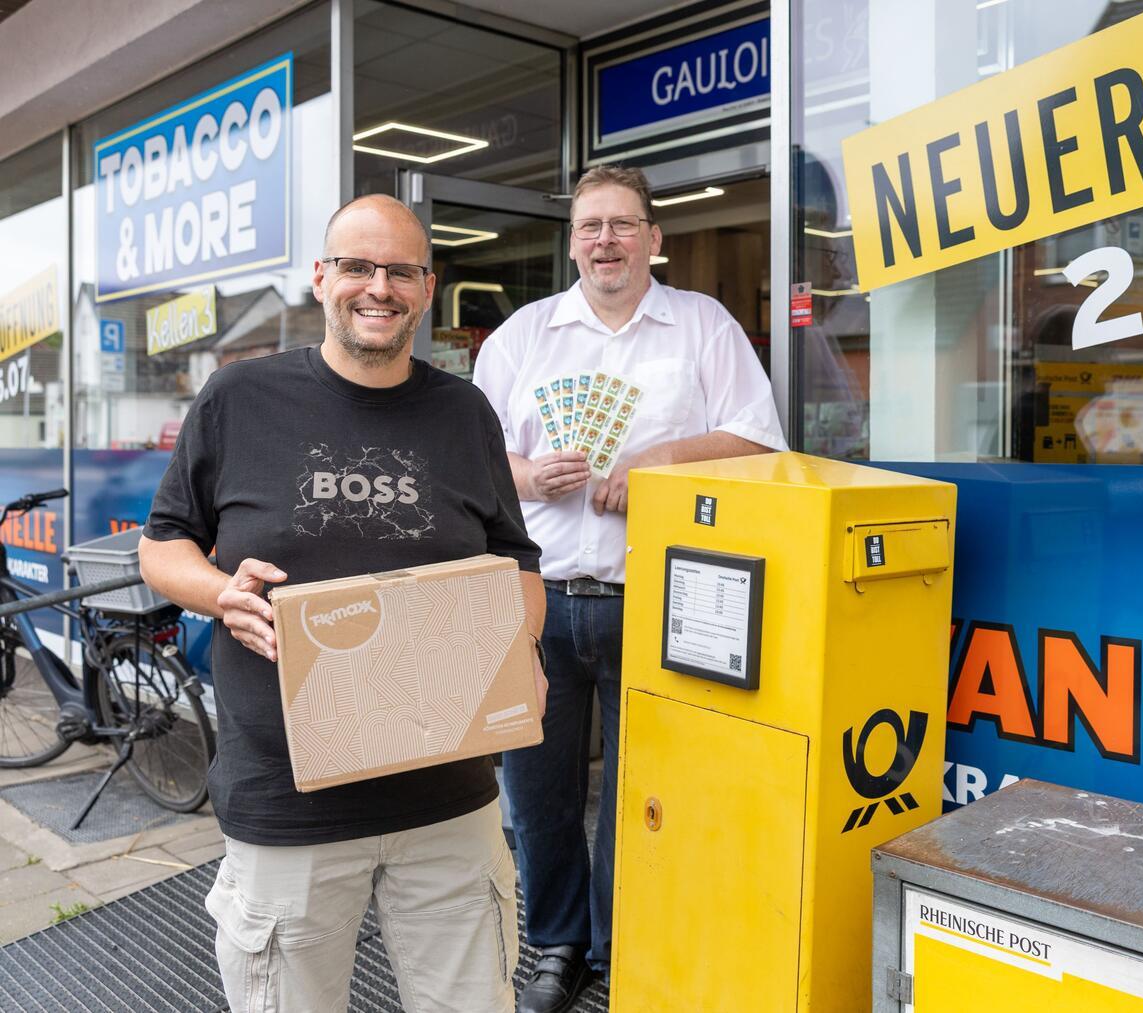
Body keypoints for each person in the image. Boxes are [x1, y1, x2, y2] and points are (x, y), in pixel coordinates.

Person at [138, 193, 546, 1013]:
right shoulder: (237, 398)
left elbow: (517, 560)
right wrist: (222, 594)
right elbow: (162, 545)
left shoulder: (464, 412)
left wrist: (520, 650)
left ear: (428, 289)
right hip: (288, 799)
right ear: (322, 278)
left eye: (400, 270)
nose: (378, 287)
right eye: (358, 266)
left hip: (449, 796)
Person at [473, 164, 786, 1012]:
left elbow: (761, 441)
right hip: (538, 599)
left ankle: (620, 947)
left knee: (640, 796)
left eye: (621, 224)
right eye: (589, 227)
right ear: (572, 241)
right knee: (536, 792)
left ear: (655, 238)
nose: (604, 240)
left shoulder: (702, 326)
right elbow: (469, 460)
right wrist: (529, 476)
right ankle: (557, 945)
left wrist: (662, 458)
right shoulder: (526, 337)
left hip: (659, 601)